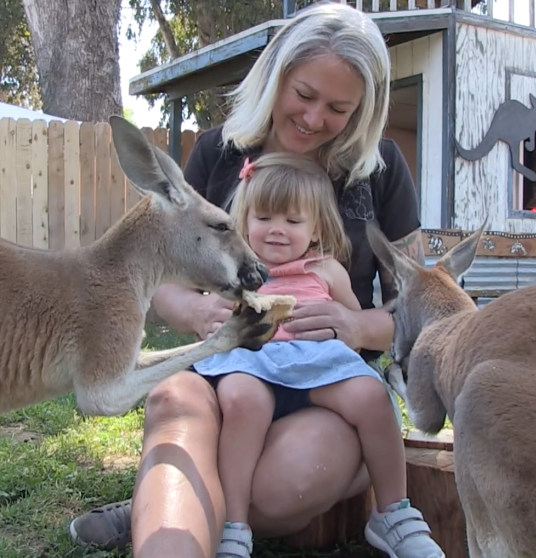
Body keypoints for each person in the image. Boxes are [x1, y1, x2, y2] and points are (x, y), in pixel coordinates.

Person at [68, 3, 433, 558]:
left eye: (338, 107)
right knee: (174, 400)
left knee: (272, 490)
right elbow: (163, 282)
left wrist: (356, 325)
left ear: (366, 108)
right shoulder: (217, 153)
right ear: (276, 77)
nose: (314, 119)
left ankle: (160, 499)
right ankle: (166, 517)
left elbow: (421, 309)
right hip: (222, 369)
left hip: (327, 387)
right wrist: (194, 313)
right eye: (304, 95)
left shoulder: (381, 167)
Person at [187, 152, 442, 558]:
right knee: (240, 397)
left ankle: (392, 512)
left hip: (318, 365)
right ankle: (233, 526)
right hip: (252, 362)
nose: (276, 231)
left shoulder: (325, 270)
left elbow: (354, 324)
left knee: (372, 397)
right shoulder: (232, 266)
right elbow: (207, 308)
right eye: (264, 218)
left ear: (317, 228)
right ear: (243, 219)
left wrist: (349, 324)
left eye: (293, 221)